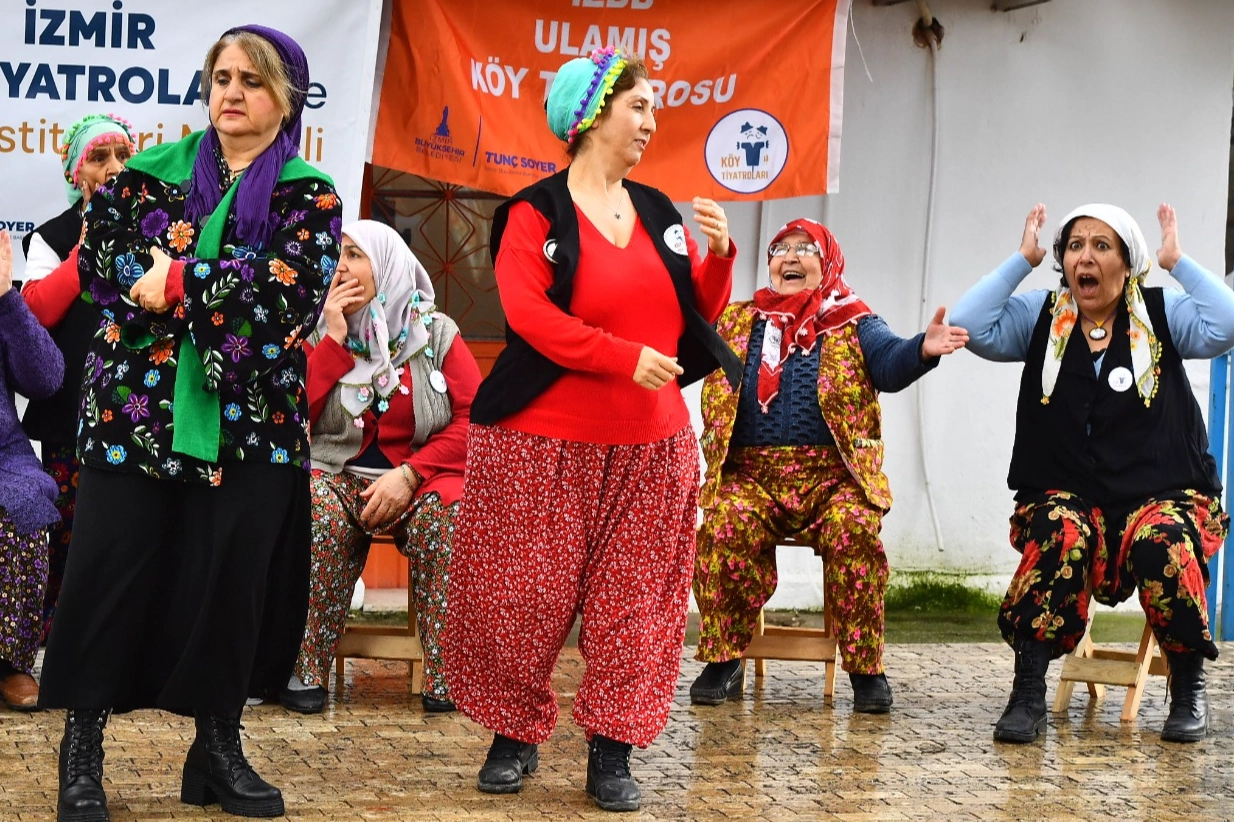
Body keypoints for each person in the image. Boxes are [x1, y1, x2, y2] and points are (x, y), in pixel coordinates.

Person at [37, 25, 341, 821]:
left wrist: (174, 279)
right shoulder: (143, 175)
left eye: (251, 79)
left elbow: (284, 306)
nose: (231, 92)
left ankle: (215, 752)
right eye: (221, 77)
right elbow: (106, 269)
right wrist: (215, 286)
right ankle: (81, 754)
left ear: (287, 96)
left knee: (227, 587)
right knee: (107, 579)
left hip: (254, 429)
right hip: (134, 418)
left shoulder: (310, 194)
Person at [444, 47, 741, 813]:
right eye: (638, 107)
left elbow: (689, 315)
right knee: (524, 595)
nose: (651, 122)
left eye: (652, 110)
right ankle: (514, 735)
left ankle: (612, 751)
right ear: (591, 115)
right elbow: (530, 317)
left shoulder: (657, 211)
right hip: (541, 441)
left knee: (637, 604)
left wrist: (719, 256)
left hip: (653, 443)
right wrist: (618, 356)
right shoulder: (533, 213)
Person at [951, 203, 1234, 745]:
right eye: (1075, 246)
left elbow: (1225, 325)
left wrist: (1179, 262)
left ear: (1127, 263)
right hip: (1068, 495)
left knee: (1165, 541)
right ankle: (1028, 691)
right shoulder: (1042, 315)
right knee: (1062, 533)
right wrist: (1022, 259)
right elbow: (968, 324)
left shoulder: (1159, 312)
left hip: (1159, 493)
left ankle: (1189, 688)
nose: (1086, 257)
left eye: (1102, 246)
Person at [689, 217, 969, 714]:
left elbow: (889, 362)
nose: (790, 257)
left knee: (855, 529)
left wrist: (921, 350)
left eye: (805, 248)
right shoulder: (734, 320)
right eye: (781, 248)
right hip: (750, 475)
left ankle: (866, 670)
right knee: (723, 525)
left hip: (834, 479)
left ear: (828, 262)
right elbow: (683, 355)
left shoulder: (855, 319)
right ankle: (722, 660)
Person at [281, 219, 479, 715]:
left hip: (421, 477)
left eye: (355, 255)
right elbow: (288, 414)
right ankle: (307, 667)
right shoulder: (321, 329)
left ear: (386, 265)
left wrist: (411, 474)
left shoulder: (436, 333)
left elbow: (476, 419)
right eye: (338, 254)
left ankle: (445, 675)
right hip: (339, 474)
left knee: (447, 519)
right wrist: (332, 339)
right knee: (314, 512)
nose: (340, 266)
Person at [20, 113, 136, 641]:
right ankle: (63, 635)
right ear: (75, 173)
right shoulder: (50, 239)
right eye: (99, 158)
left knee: (132, 525)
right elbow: (36, 313)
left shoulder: (156, 229)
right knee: (71, 526)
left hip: (140, 412)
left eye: (123, 156)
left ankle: (128, 636)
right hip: (74, 412)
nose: (114, 168)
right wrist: (86, 245)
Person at [0, 229, 65, 711]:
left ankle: (11, 663)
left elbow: (46, 379)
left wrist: (6, 297)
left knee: (24, 504)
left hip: (4, 456)